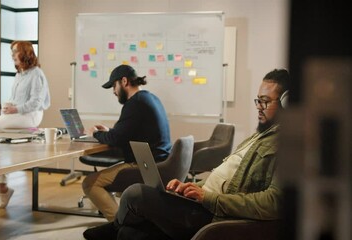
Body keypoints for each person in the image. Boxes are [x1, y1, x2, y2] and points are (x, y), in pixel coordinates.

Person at [83, 68, 290, 240]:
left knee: (135, 193)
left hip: (214, 214)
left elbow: (273, 203)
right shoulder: (258, 137)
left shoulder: (288, 145)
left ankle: (113, 227)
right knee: (129, 234)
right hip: (202, 202)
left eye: (265, 101)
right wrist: (192, 188)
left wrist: (209, 198)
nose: (259, 108)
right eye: (258, 101)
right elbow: (227, 178)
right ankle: (118, 229)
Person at [82, 64, 172, 222]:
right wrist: (108, 131)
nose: (114, 92)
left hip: (146, 166)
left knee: (89, 183)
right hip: (158, 162)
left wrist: (96, 133)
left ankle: (121, 224)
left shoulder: (134, 104)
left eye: (114, 86)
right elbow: (124, 133)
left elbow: (116, 139)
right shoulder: (149, 98)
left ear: (124, 81)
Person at [0, 41, 50, 208]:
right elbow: (16, 100)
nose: (12, 55)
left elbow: (36, 102)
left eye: (15, 51)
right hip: (19, 113)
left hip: (31, 115)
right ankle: (3, 187)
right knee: (0, 145)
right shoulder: (20, 74)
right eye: (12, 51)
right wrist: (8, 107)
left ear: (25, 54)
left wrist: (14, 109)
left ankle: (3, 187)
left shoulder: (36, 73)